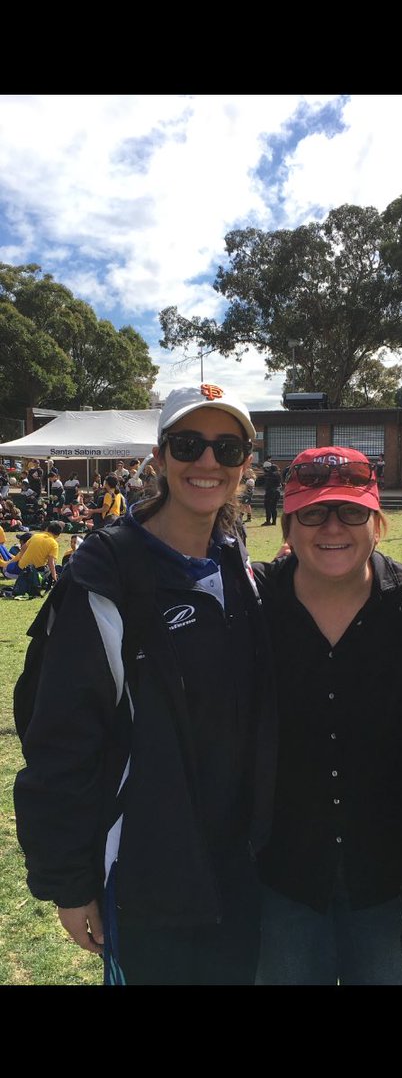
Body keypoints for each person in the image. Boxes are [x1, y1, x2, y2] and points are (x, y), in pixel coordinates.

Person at [13, 382, 277, 985]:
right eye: (188, 444)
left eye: (227, 449)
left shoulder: (238, 567)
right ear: (158, 459)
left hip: (238, 868)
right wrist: (70, 882)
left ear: (245, 465)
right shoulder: (103, 577)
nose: (208, 462)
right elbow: (59, 739)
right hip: (147, 873)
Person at [253, 446, 402, 985]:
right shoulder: (250, 604)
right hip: (282, 879)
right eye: (313, 513)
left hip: (391, 877)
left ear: (378, 524)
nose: (333, 527)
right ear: (288, 525)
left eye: (352, 512)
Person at [261, 461, 282, 526]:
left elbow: (265, 480)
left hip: (270, 492)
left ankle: (268, 521)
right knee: (274, 507)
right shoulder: (278, 474)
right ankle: (274, 521)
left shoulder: (270, 474)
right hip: (277, 492)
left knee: (268, 506)